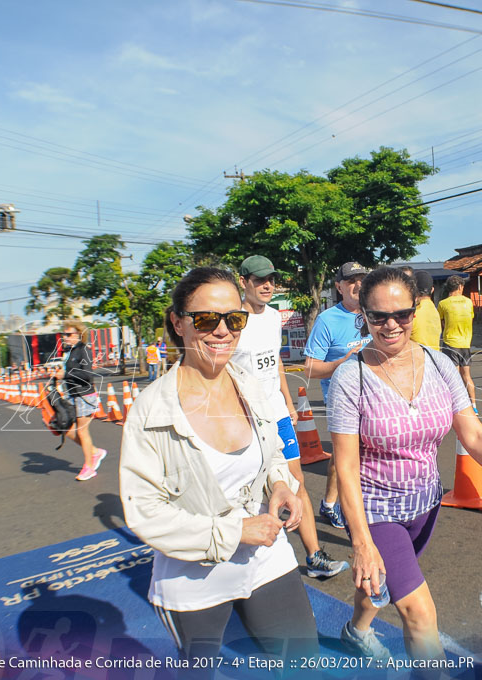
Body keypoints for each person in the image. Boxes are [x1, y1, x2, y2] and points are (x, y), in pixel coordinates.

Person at [328, 267, 482, 661]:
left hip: (425, 505)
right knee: (419, 612)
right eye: (378, 316)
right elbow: (345, 466)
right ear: (364, 317)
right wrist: (360, 541)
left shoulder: (441, 365)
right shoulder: (350, 378)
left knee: (379, 582)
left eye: (401, 314)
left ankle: (355, 630)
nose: (391, 325)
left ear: (416, 310)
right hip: (376, 509)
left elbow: (472, 433)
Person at [119, 267, 317, 664]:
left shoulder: (247, 383)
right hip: (195, 579)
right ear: (178, 323)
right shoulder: (152, 410)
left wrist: (280, 485)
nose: (223, 331)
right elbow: (144, 512)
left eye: (234, 319)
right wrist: (235, 531)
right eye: (206, 318)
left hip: (267, 558)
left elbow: (272, 452)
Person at [233, 255, 349, 579]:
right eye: (259, 280)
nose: (267, 285)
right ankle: (244, 555)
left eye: (270, 279)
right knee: (253, 484)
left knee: (294, 480)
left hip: (278, 414)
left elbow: (277, 362)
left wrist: (287, 400)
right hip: (247, 418)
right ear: (243, 282)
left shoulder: (273, 317)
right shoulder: (232, 321)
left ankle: (314, 557)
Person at [303, 261, 370, 530]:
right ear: (339, 286)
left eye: (361, 279)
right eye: (351, 280)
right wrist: (341, 363)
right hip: (342, 400)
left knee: (346, 455)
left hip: (375, 396)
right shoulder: (327, 320)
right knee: (349, 456)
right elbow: (310, 368)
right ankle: (346, 507)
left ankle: (330, 503)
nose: (358, 285)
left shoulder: (372, 313)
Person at [53, 321, 106, 481]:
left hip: (85, 395)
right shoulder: (69, 352)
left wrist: (66, 374)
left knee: (82, 431)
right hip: (72, 395)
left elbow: (87, 375)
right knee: (67, 429)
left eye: (69, 334)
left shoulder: (84, 351)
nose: (65, 337)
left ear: (79, 334)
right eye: (64, 334)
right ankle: (95, 452)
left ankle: (89, 467)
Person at [438, 275, 478, 413]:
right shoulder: (469, 302)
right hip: (465, 343)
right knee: (467, 376)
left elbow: (442, 324)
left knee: (453, 377)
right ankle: (473, 405)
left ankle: (456, 406)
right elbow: (470, 320)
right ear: (460, 287)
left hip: (450, 343)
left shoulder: (443, 304)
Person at [409, 271, 441, 351]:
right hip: (435, 358)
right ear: (432, 290)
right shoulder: (435, 310)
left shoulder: (412, 312)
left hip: (417, 358)